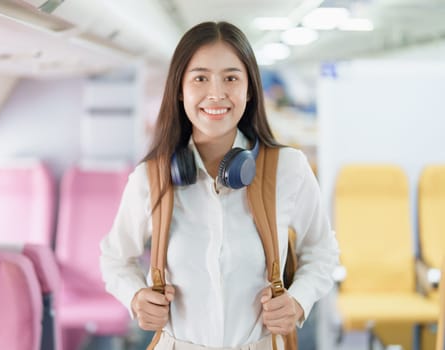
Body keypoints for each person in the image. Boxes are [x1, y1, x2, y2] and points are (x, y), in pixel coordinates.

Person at [100, 21, 339, 350]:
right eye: (200, 78)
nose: (216, 93)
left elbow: (322, 251)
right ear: (180, 89)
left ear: (249, 89)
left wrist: (298, 301)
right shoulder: (151, 177)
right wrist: (135, 296)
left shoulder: (288, 168)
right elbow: (115, 258)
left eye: (231, 78)